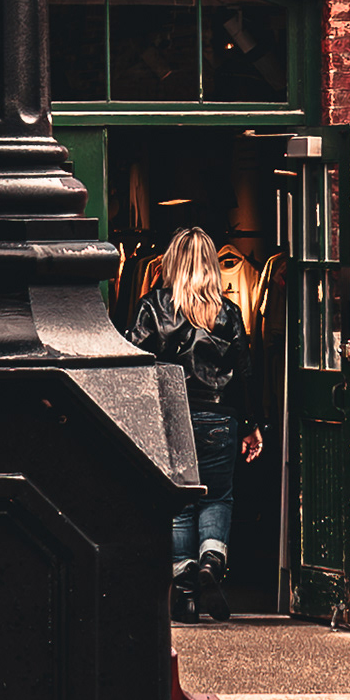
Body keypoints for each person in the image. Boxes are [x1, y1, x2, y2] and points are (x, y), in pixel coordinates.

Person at [134, 226, 260, 610]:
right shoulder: (227, 312)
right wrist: (253, 425)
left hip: (172, 417)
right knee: (217, 497)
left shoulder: (153, 306)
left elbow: (135, 360)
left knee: (179, 502)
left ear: (171, 262)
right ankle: (211, 562)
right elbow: (244, 371)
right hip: (220, 418)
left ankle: (185, 590)